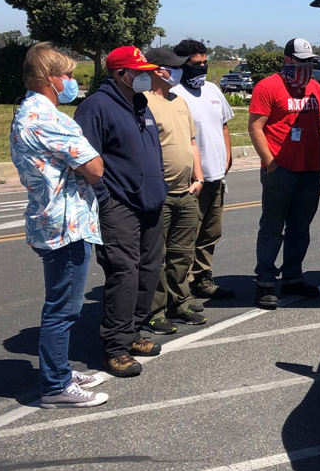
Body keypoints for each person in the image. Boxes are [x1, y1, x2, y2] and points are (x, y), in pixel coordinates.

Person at [10, 42, 109, 407]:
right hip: (66, 223)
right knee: (64, 307)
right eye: (67, 75)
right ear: (49, 79)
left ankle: (60, 369)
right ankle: (55, 385)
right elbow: (95, 168)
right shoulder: (49, 118)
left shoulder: (25, 112)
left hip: (48, 218)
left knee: (62, 303)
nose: (71, 81)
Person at [75, 46, 166, 377]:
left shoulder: (140, 104)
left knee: (149, 270)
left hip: (151, 204)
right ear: (119, 74)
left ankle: (133, 332)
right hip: (118, 206)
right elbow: (85, 160)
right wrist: (105, 199)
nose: (147, 76)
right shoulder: (95, 107)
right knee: (123, 273)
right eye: (139, 71)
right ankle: (115, 347)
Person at [248, 38, 320, 309]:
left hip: (310, 170)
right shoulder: (268, 86)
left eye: (309, 62)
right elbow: (255, 127)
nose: (306, 66)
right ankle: (265, 282)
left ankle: (293, 277)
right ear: (286, 60)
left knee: (300, 229)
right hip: (280, 171)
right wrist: (270, 163)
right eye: (300, 61)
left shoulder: (315, 87)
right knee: (272, 228)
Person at [143, 47, 207, 335]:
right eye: (175, 67)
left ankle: (179, 303)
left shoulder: (178, 101)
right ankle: (154, 311)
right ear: (159, 70)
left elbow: (191, 141)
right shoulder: (142, 103)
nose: (180, 71)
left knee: (182, 253)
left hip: (187, 191)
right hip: (160, 195)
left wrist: (199, 175)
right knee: (157, 256)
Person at [170, 39, 235, 301]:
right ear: (182, 64)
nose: (203, 68)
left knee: (210, 232)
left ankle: (202, 278)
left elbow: (224, 126)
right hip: (191, 179)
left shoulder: (212, 90)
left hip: (216, 176)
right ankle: (181, 288)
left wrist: (227, 159)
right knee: (185, 236)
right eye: (196, 64)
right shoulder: (174, 94)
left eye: (205, 62)